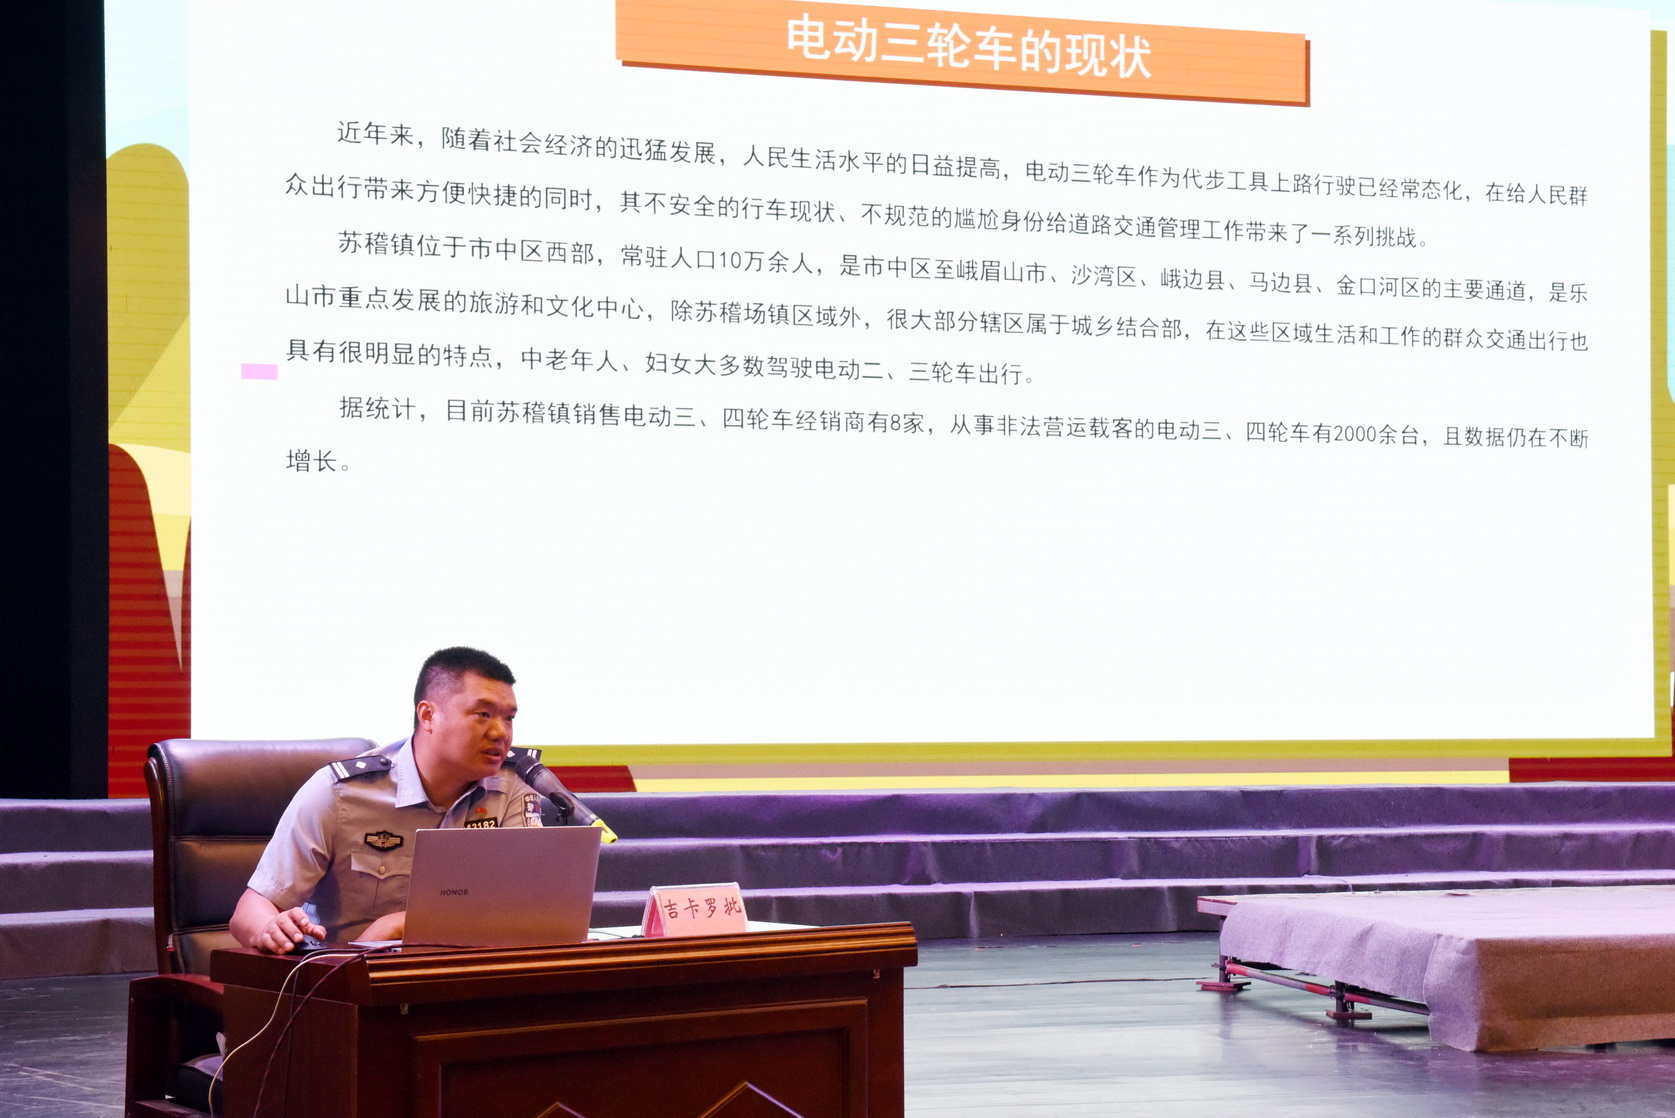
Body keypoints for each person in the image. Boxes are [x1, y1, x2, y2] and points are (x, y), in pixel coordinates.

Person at [230, 646, 544, 953]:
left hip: (470, 972)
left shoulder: (514, 786)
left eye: (509, 718)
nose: (500, 733)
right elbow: (250, 912)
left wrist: (400, 925)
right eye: (483, 714)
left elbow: (529, 905)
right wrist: (271, 928)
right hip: (352, 976)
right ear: (428, 715)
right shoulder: (340, 794)